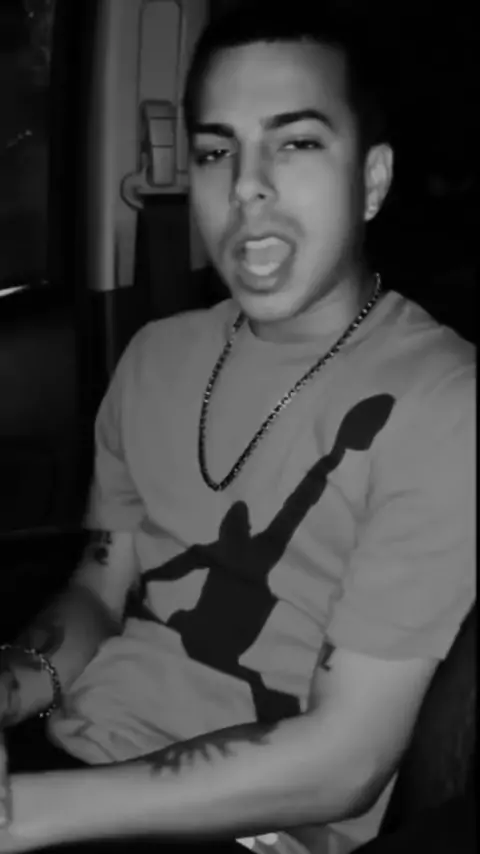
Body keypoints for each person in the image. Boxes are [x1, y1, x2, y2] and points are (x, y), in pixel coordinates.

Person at [0, 2, 475, 853]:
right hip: (67, 768)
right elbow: (101, 593)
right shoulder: (154, 356)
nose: (247, 185)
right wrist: (9, 692)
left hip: (249, 828)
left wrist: (18, 814)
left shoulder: (445, 400)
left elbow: (347, 762)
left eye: (296, 143)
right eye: (217, 152)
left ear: (371, 181)